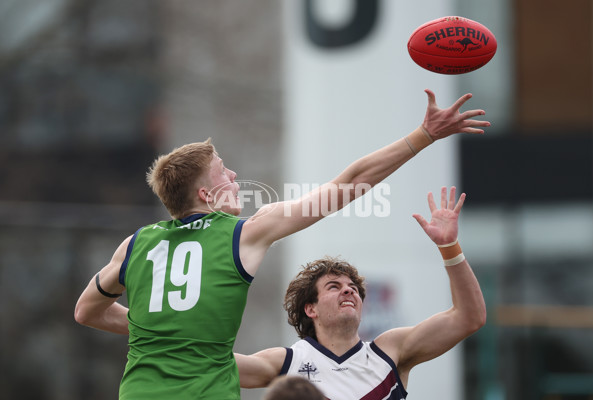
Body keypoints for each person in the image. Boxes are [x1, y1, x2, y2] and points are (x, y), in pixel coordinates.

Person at [73, 90, 489, 400]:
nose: (234, 175)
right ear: (204, 194)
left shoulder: (135, 245)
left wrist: (161, 328)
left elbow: (85, 311)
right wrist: (423, 135)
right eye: (222, 172)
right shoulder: (245, 232)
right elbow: (343, 187)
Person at [235, 187, 486, 400]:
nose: (348, 290)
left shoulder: (389, 351)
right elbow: (210, 364)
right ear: (311, 309)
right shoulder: (287, 361)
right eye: (334, 286)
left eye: (353, 288)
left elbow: (469, 317)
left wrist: (449, 247)